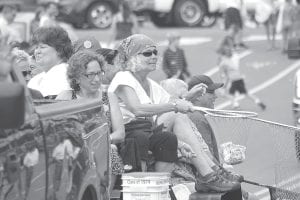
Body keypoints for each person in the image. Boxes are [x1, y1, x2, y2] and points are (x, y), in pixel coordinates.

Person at [108, 34, 240, 192]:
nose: (154, 57)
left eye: (155, 52)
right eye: (147, 53)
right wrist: (176, 105)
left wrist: (188, 96)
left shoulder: (150, 83)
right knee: (177, 115)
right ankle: (209, 173)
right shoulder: (123, 78)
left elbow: (170, 101)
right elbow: (137, 109)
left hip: (147, 129)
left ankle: (211, 171)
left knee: (173, 129)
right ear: (131, 57)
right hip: (129, 131)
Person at [56, 50, 125, 194]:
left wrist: (98, 140)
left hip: (102, 148)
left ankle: (102, 195)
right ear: (76, 77)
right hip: (74, 150)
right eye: (90, 75)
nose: (97, 79)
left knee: (111, 151)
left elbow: (120, 133)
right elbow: (56, 129)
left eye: (99, 73)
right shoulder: (66, 97)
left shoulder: (109, 97)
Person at [27, 26, 73, 99]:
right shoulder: (37, 78)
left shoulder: (65, 74)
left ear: (59, 50)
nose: (37, 52)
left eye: (42, 47)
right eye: (36, 47)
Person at [218, 46, 266, 110]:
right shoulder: (229, 60)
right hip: (240, 78)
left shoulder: (223, 63)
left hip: (234, 79)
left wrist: (224, 86)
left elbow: (226, 76)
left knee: (230, 94)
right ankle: (257, 101)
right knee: (245, 93)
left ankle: (236, 105)